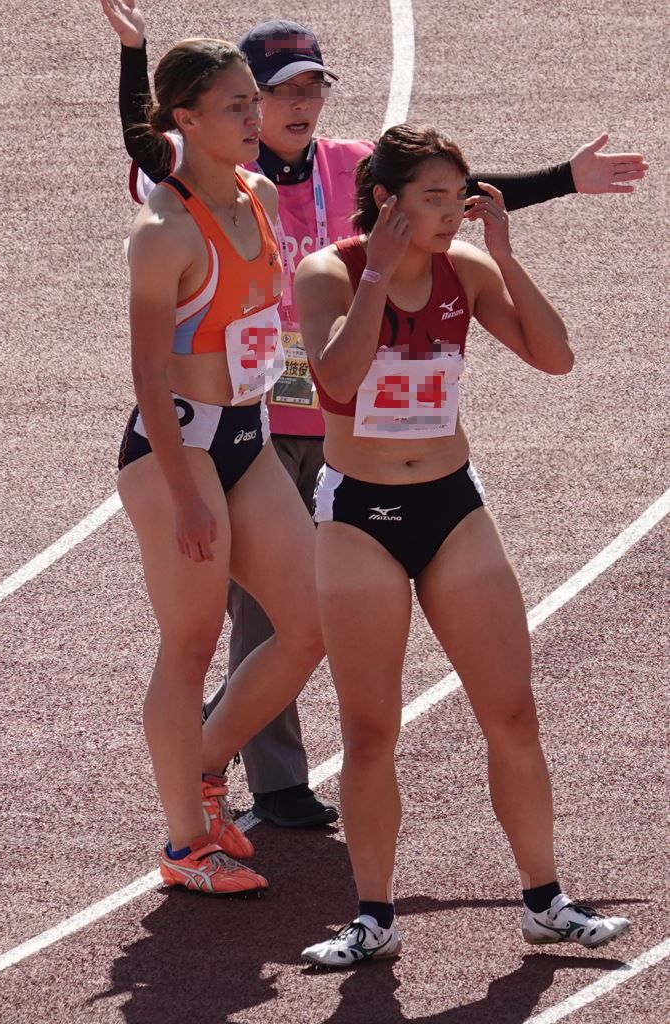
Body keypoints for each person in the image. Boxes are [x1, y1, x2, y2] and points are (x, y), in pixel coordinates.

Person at [101, 0, 649, 829]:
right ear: (208, 113)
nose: (286, 106)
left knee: (302, 621)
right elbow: (148, 151)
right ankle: (254, 792)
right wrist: (135, 55)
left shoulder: (338, 169)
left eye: (303, 89)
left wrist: (560, 182)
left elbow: (443, 195)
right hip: (249, 423)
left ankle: (203, 761)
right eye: (264, 94)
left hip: (305, 427)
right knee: (228, 629)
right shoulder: (201, 198)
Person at [293, 125, 630, 965]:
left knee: (511, 713)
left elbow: (555, 358)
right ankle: (372, 916)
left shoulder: (465, 270)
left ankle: (544, 901)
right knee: (370, 732)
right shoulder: (327, 273)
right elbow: (333, 380)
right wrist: (376, 273)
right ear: (386, 200)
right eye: (433, 198)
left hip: (451, 503)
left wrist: (506, 256)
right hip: (358, 516)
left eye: (458, 198)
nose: (450, 215)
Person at [118, 38, 324, 895]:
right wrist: (184, 496)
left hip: (248, 435)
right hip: (179, 447)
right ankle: (182, 846)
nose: (255, 117)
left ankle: (201, 764)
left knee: (311, 625)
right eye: (236, 106)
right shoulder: (161, 231)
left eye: (254, 102)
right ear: (186, 121)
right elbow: (146, 373)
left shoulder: (262, 193)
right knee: (192, 641)